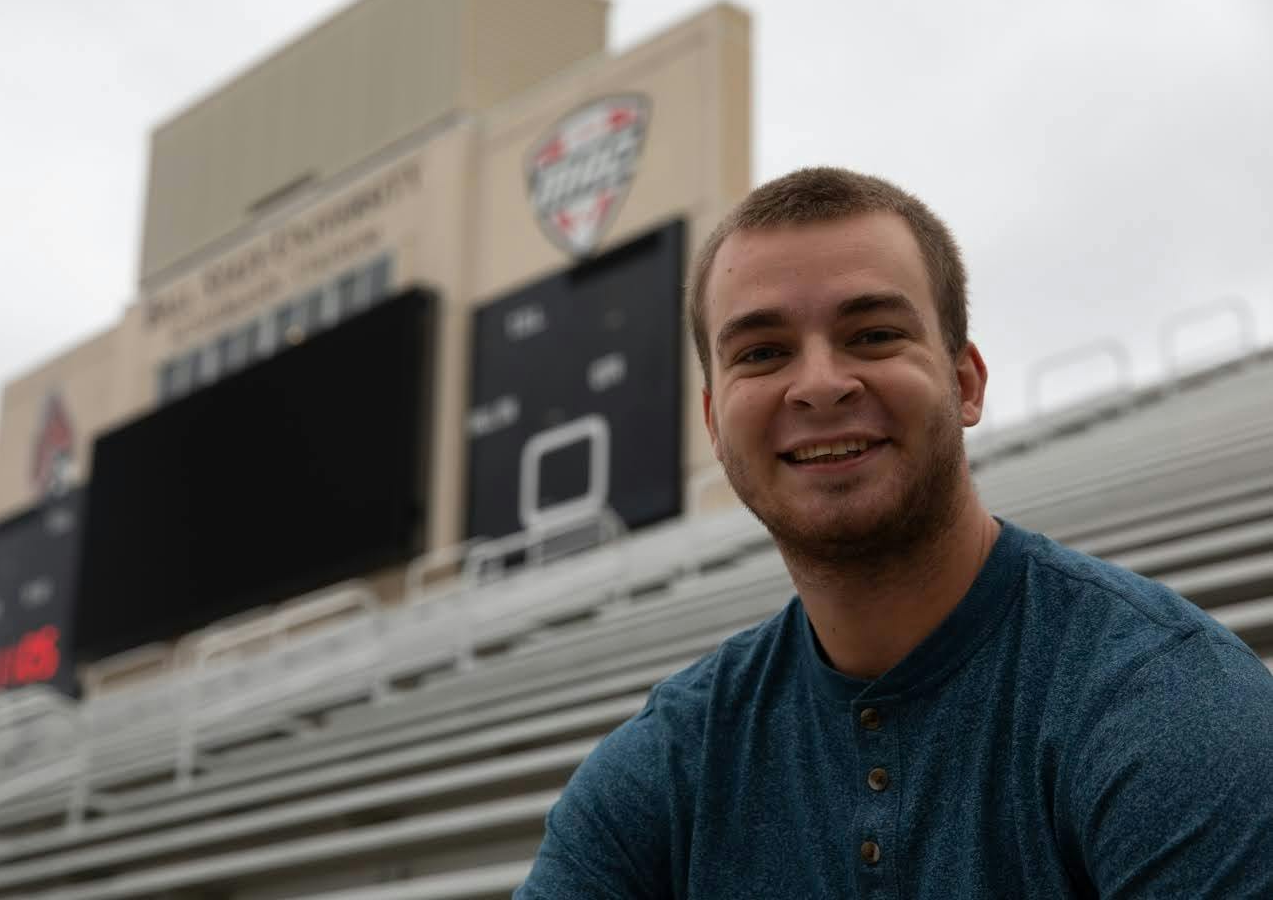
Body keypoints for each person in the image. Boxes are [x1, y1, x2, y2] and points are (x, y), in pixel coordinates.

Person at [514, 166, 1273, 898]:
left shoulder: (1164, 700)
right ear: (714, 423)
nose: (818, 385)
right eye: (763, 353)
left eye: (873, 335)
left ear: (965, 383)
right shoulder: (665, 766)